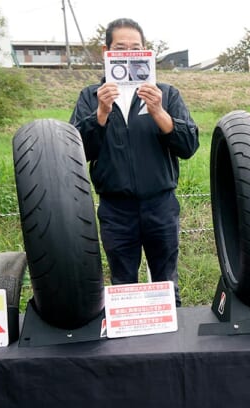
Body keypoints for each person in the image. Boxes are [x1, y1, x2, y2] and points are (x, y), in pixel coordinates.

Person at [70, 18, 199, 306]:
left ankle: (171, 345)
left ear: (146, 52)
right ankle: (128, 347)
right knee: (123, 284)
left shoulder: (166, 93)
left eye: (135, 48)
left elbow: (189, 145)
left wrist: (159, 112)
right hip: (116, 209)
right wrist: (101, 114)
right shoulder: (91, 97)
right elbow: (77, 152)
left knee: (166, 283)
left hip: (160, 205)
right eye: (120, 48)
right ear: (107, 52)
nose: (129, 53)